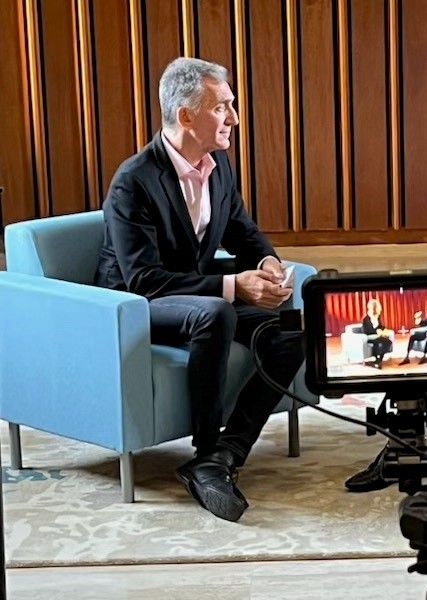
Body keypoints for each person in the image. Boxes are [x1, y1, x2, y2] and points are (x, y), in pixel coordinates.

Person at [94, 57, 305, 522]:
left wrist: (267, 264)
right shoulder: (133, 181)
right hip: (133, 306)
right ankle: (207, 444)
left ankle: (222, 457)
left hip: (196, 299)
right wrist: (235, 287)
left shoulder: (219, 166)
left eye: (231, 106)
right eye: (222, 108)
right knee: (215, 312)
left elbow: (242, 231)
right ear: (186, 115)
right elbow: (144, 281)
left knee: (294, 331)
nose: (233, 117)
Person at [361, 298, 393, 369]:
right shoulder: (365, 319)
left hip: (378, 336)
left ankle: (379, 360)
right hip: (369, 337)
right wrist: (376, 331)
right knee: (381, 342)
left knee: (388, 342)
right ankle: (378, 361)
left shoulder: (378, 317)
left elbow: (381, 326)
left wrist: (383, 330)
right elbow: (365, 331)